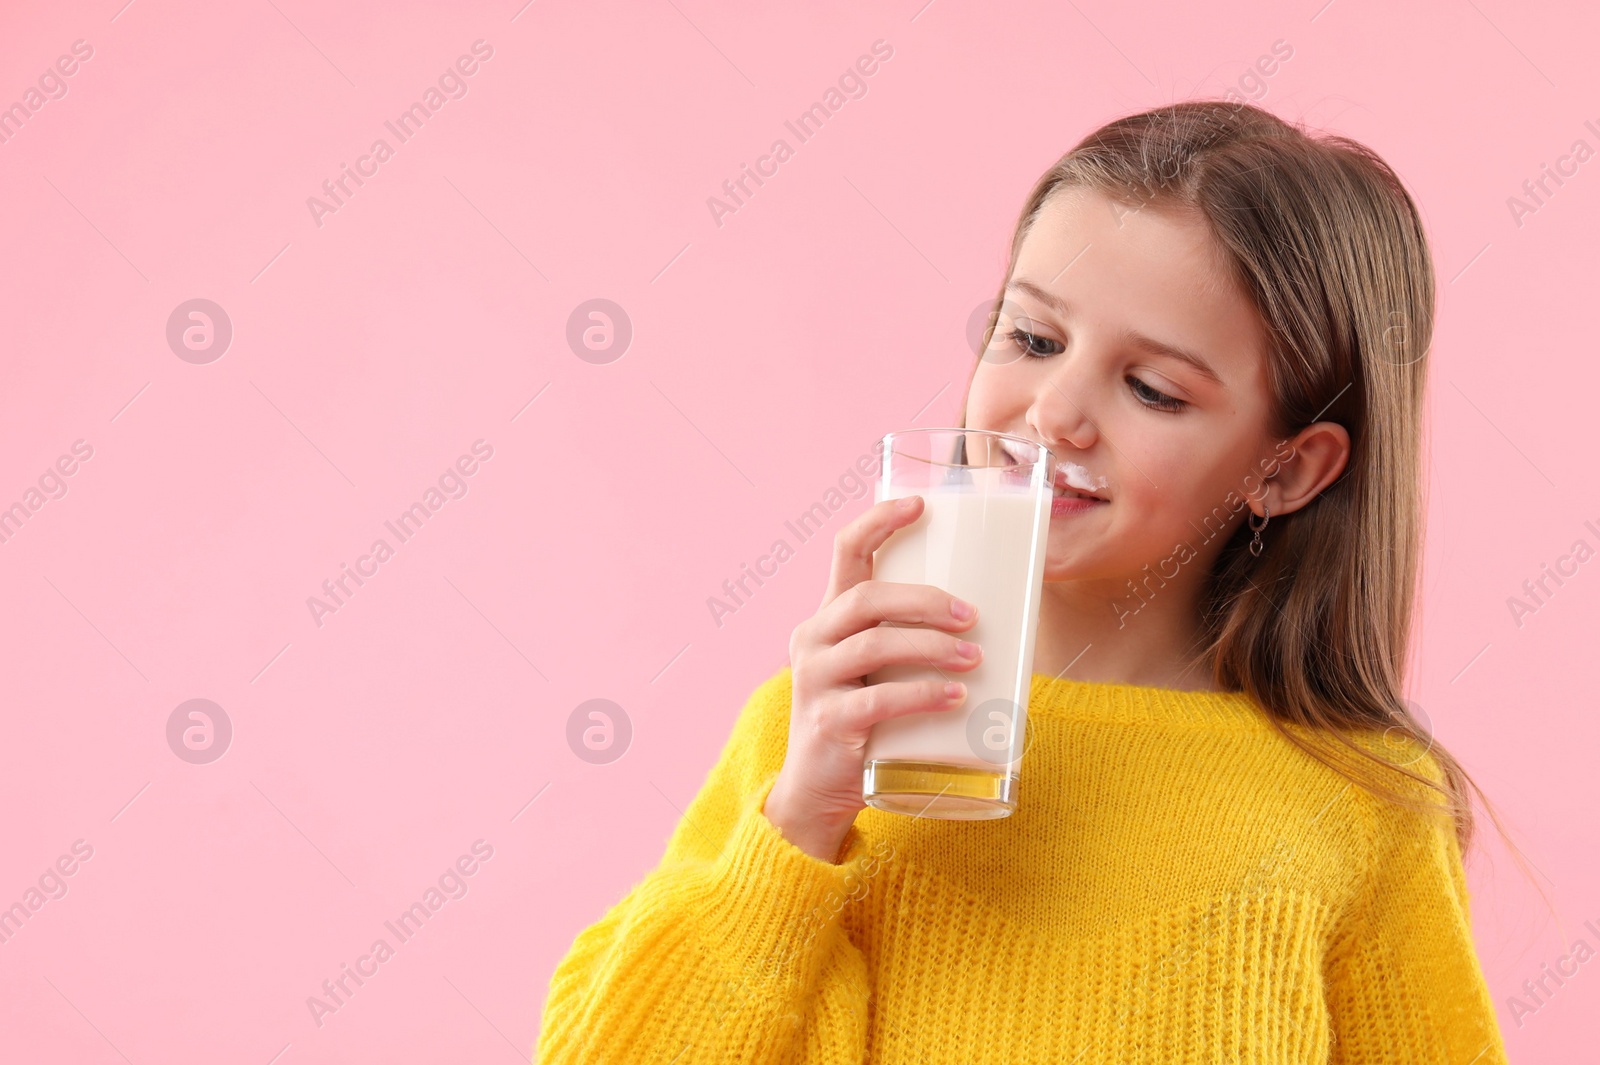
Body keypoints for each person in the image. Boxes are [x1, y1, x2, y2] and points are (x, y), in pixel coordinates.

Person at [533, 99, 1527, 1063]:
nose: (1053, 414)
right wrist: (796, 828)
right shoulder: (822, 738)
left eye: (1153, 390)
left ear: (1284, 469)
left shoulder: (1359, 807)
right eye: (1032, 338)